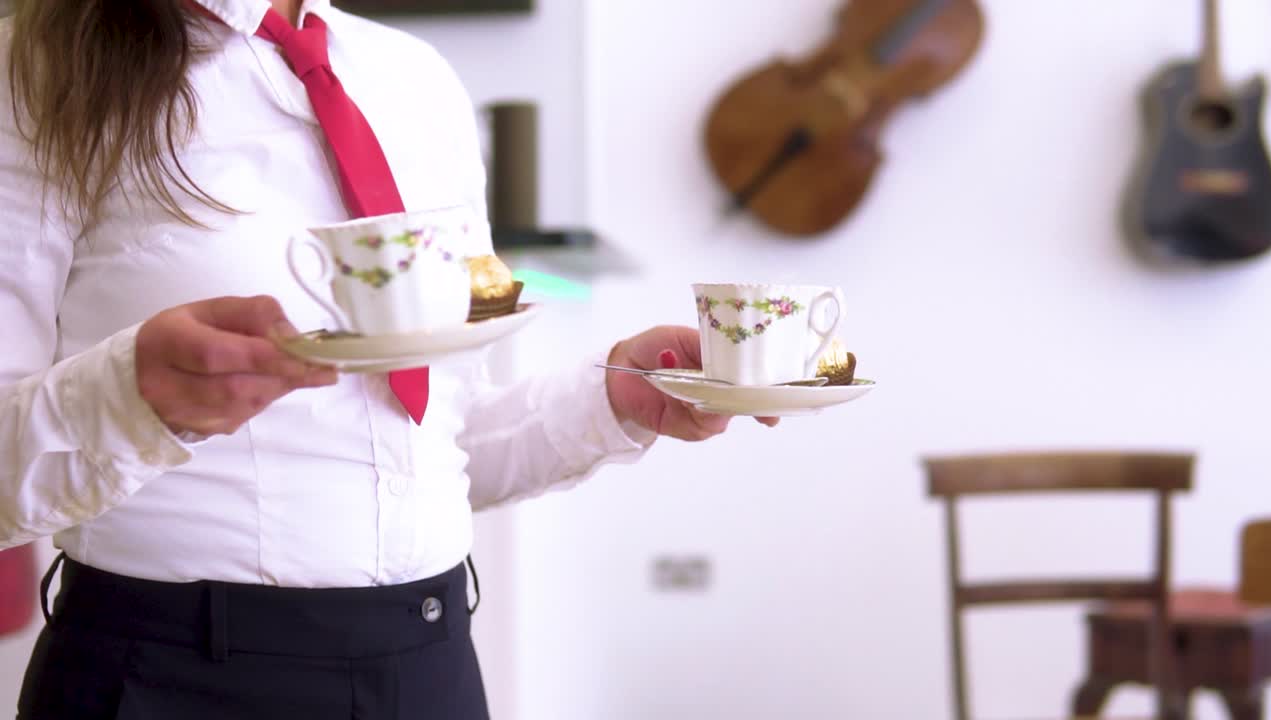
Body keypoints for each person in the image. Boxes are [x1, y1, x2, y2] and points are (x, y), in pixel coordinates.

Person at [0, 0, 776, 717]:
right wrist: (130, 399)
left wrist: (617, 398)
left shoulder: (415, 79)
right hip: (169, 682)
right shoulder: (32, 73)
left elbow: (436, 438)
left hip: (429, 670)